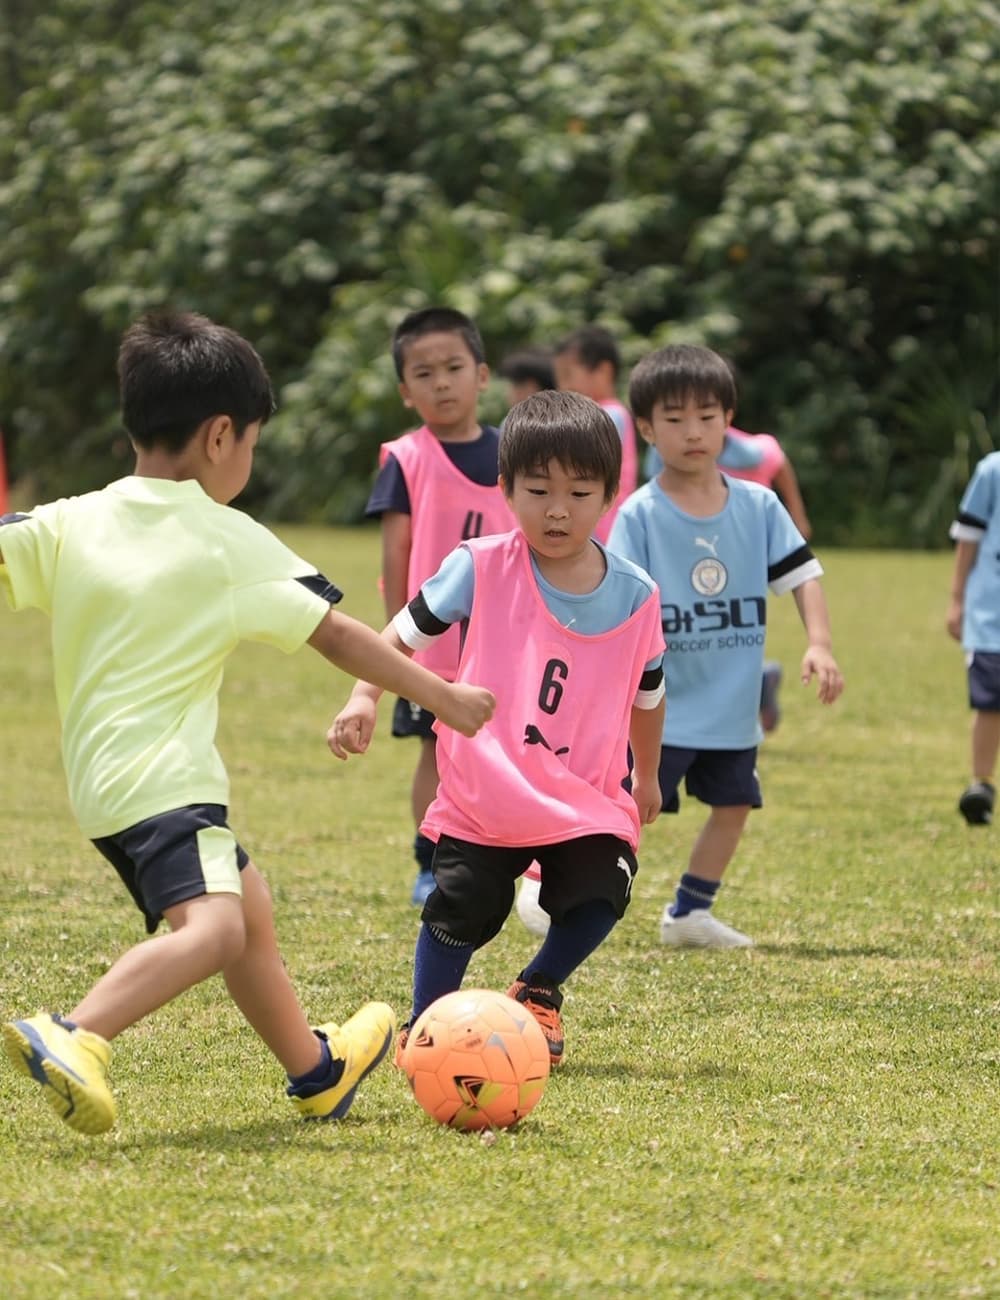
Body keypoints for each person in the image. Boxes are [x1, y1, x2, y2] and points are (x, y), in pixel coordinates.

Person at [0, 310, 495, 1137]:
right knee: (217, 927)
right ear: (222, 435)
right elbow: (336, 634)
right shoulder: (229, 539)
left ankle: (319, 1070)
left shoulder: (72, 518)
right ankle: (78, 1033)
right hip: (167, 782)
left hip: (98, 782)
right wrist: (443, 697)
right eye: (256, 443)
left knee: (250, 914)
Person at [330, 390, 666, 1066]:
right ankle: (426, 1027)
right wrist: (363, 696)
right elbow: (401, 633)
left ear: (611, 495)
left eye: (580, 491)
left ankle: (539, 988)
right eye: (538, 490)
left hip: (586, 794)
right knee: (461, 909)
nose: (558, 509)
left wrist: (649, 776)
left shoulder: (636, 593)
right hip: (488, 788)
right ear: (506, 488)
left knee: (605, 890)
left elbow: (649, 694)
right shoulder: (480, 564)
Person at [609, 343, 842, 948]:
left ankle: (689, 913)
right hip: (661, 707)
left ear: (728, 419)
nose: (694, 432)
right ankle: (554, 886)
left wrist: (819, 643)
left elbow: (802, 574)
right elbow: (620, 602)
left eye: (708, 417)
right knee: (626, 808)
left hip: (733, 709)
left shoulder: (760, 505)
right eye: (676, 418)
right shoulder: (640, 514)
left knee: (734, 805)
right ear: (646, 428)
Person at [366, 306, 515, 906]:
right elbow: (396, 549)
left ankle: (506, 854)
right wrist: (403, 634)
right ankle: (430, 862)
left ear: (482, 375)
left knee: (505, 746)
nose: (442, 382)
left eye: (454, 367)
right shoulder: (407, 458)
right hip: (431, 645)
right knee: (435, 746)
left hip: (505, 640)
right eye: (424, 374)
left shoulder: (517, 452)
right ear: (405, 391)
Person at [644, 405, 813, 733]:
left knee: (712, 628)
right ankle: (757, 679)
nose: (693, 431)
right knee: (726, 627)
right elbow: (779, 462)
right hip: (743, 563)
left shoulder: (681, 452)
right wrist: (798, 512)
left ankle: (749, 683)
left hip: (705, 561)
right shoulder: (758, 447)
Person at [947, 452, 1000, 824]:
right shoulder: (992, 470)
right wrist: (957, 599)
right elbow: (968, 537)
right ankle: (981, 783)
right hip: (991, 615)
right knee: (990, 701)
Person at [552, 325, 638, 543]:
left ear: (603, 372)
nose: (563, 387)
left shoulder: (611, 414)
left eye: (568, 375)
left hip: (606, 529)